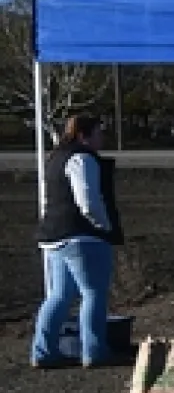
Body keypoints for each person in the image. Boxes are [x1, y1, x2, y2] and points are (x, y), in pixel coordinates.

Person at [32, 115, 123, 369]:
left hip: (52, 236)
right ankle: (94, 350)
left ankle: (43, 350)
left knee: (59, 296)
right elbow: (88, 199)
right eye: (98, 133)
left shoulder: (54, 158)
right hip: (82, 237)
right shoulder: (82, 158)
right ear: (84, 135)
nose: (101, 138)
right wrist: (103, 225)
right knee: (93, 294)